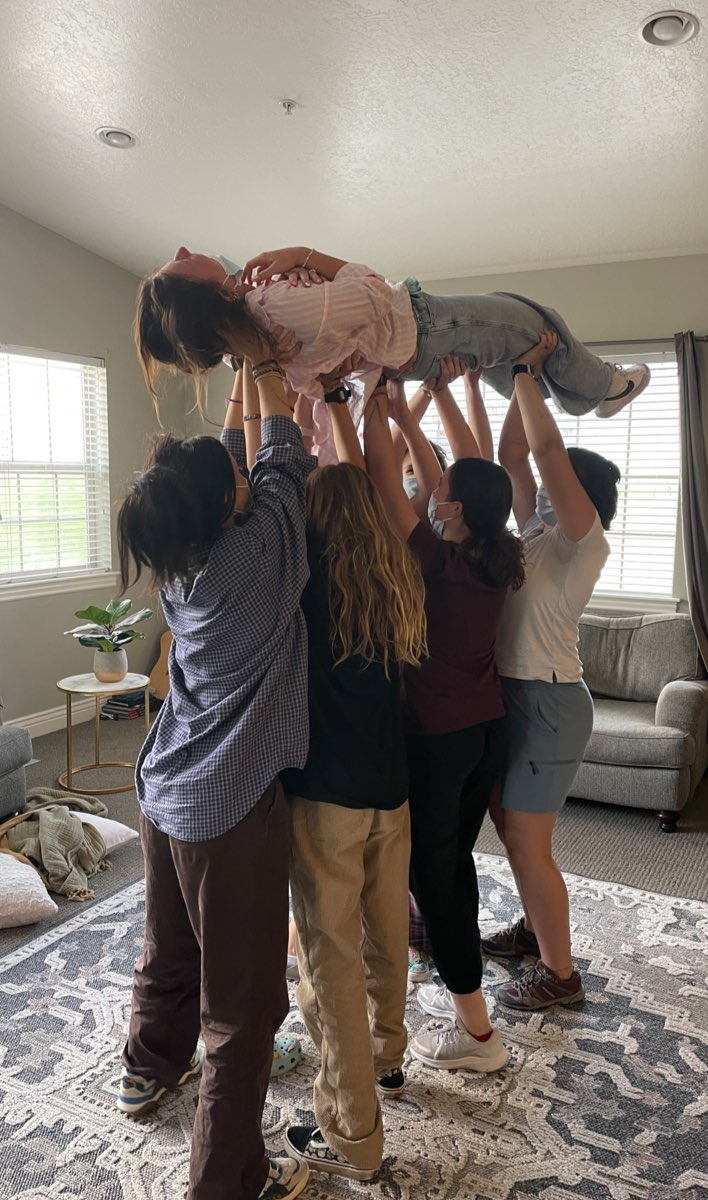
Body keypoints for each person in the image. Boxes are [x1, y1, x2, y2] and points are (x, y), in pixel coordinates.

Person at [114, 325, 315, 1200]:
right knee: (244, 1014)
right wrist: (263, 361)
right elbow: (281, 458)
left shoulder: (181, 558)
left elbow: (238, 467)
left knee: (167, 949)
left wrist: (241, 372)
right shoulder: (258, 553)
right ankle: (227, 1184)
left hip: (164, 794)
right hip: (230, 812)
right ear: (227, 502)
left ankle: (147, 1068)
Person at [266, 383, 427, 1181]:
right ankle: (390, 1056)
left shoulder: (304, 586)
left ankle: (352, 1132)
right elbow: (361, 479)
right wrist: (329, 412)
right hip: (389, 791)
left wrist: (298, 420)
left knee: (328, 958)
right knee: (384, 930)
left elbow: (280, 494)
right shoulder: (397, 574)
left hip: (325, 796)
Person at [133, 246, 651, 463]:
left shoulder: (249, 352)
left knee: (517, 354)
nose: (180, 251)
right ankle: (605, 387)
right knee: (535, 318)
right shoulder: (274, 305)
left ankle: (586, 395)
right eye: (175, 268)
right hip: (426, 326)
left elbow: (329, 366)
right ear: (202, 298)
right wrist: (309, 257)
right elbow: (376, 293)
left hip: (417, 347)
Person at [364, 379, 524, 1074]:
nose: (431, 490)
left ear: (452, 507)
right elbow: (428, 484)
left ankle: (478, 1034)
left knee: (437, 880)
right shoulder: (493, 554)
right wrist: (403, 409)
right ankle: (460, 987)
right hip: (487, 731)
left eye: (441, 489)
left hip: (440, 739)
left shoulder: (437, 560)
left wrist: (366, 406)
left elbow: (381, 478)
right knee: (452, 866)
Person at [479, 331, 620, 1013]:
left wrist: (532, 374)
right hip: (512, 694)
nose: (536, 489)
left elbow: (542, 450)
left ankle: (560, 975)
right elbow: (513, 454)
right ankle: (534, 933)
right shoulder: (534, 534)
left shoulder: (580, 544)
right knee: (511, 830)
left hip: (550, 702)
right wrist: (512, 380)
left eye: (554, 487)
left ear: (579, 499)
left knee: (531, 846)